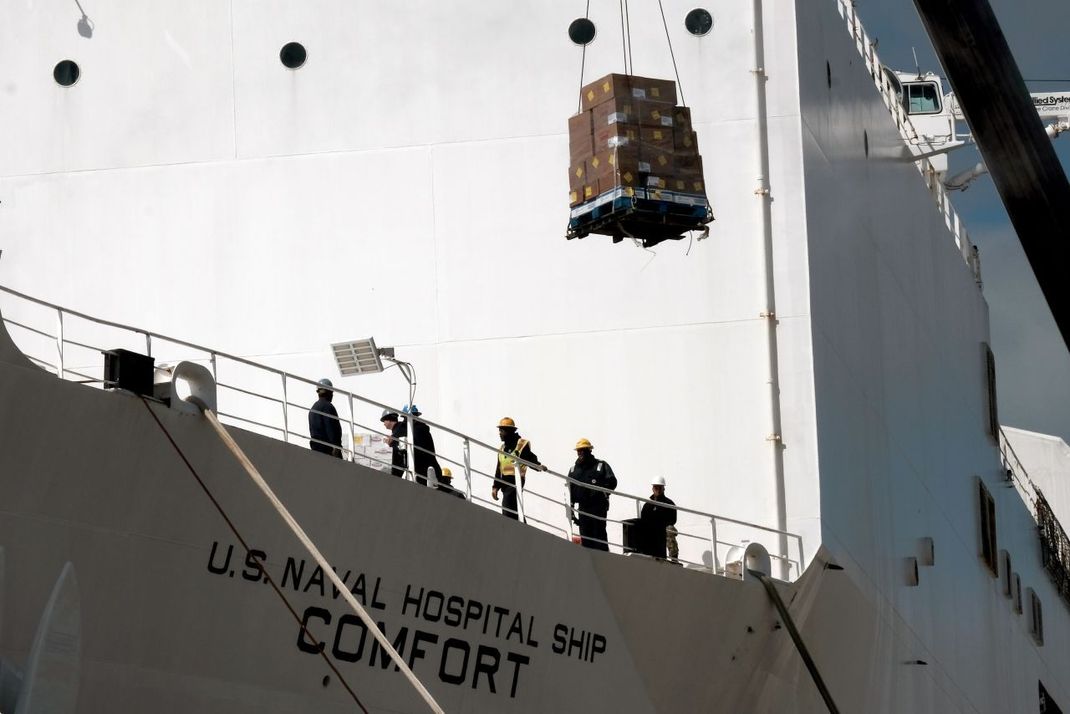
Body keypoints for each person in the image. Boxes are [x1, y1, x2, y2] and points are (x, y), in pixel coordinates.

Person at [492, 417, 547, 520]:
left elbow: (530, 458)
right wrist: (495, 487)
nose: (499, 433)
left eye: (501, 430)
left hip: (515, 483)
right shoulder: (502, 449)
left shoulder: (521, 444)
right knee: (514, 511)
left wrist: (538, 466)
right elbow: (498, 469)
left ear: (509, 431)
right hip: (505, 485)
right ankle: (525, 530)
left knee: (508, 511)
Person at [568, 439, 617, 551]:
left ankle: (604, 559)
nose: (580, 453)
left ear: (589, 450)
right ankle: (588, 560)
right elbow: (569, 490)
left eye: (582, 450)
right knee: (585, 538)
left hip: (598, 507)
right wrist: (570, 510)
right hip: (583, 509)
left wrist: (602, 492)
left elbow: (612, 482)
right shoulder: (573, 470)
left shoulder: (601, 466)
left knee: (599, 536)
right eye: (578, 451)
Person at [638, 476, 678, 558]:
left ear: (664, 488)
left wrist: (660, 524)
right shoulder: (647, 505)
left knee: (670, 529)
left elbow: (673, 520)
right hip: (650, 531)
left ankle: (674, 558)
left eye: (660, 487)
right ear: (652, 489)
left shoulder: (669, 503)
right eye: (656, 487)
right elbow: (643, 520)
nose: (658, 490)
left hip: (663, 530)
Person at [404, 404, 442, 486]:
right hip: (430, 469)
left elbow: (421, 451)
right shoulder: (420, 429)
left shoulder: (417, 430)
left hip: (424, 471)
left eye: (404, 418)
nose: (404, 421)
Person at [308, 378, 342, 458]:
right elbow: (330, 428)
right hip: (328, 450)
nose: (332, 395)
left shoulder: (313, 408)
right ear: (329, 392)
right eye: (332, 392)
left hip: (316, 448)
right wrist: (336, 447)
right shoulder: (328, 407)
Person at [380, 408, 406, 477]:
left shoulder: (400, 427)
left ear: (389, 419)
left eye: (384, 420)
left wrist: (390, 441)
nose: (384, 423)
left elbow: (396, 440)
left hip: (401, 464)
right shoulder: (397, 429)